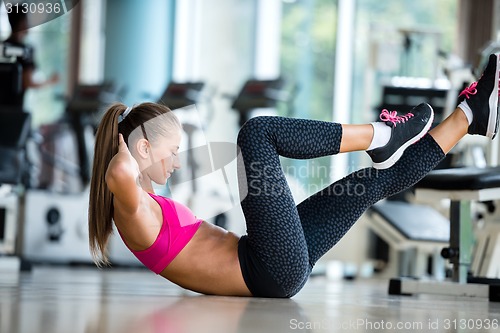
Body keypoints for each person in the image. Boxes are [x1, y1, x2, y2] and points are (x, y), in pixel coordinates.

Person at [89, 54, 500, 298]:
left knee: (370, 184)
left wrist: (133, 134)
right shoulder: (132, 205)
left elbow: (126, 165)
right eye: (171, 152)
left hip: (271, 262)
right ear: (141, 148)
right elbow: (118, 170)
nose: (176, 163)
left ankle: (469, 117)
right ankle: (381, 135)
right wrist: (126, 138)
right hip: (267, 267)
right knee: (255, 133)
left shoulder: (141, 202)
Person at [3, 11, 59, 108]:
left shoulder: (3, 46)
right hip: (13, 107)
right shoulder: (26, 51)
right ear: (22, 23)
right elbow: (28, 82)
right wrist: (51, 81)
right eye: (27, 21)